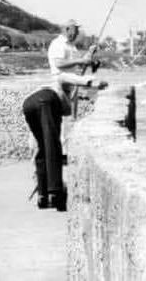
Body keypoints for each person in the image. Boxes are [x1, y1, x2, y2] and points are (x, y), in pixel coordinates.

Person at [23, 74, 107, 211]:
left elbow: (37, 146)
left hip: (27, 105)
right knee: (53, 146)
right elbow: (66, 78)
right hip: (45, 101)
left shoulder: (50, 96)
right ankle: (56, 193)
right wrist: (93, 83)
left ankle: (42, 196)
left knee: (43, 149)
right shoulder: (55, 87)